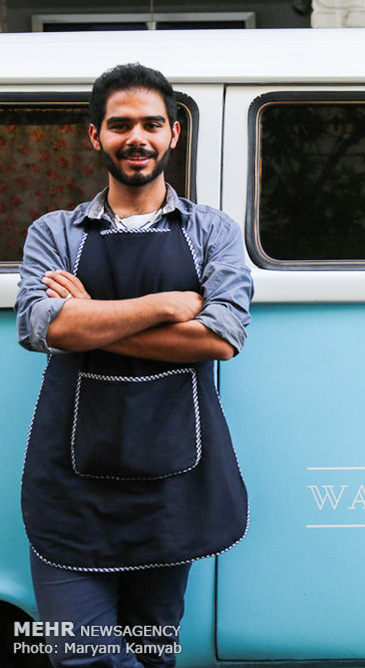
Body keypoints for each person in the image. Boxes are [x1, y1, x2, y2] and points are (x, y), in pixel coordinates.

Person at [14, 63, 252, 668]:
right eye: (120, 125)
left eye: (151, 123)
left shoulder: (211, 232)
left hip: (173, 478)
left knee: (151, 651)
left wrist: (90, 319)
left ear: (174, 133)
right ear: (96, 137)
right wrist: (163, 306)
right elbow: (40, 327)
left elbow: (221, 337)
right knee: (82, 654)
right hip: (72, 483)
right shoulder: (56, 232)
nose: (136, 137)